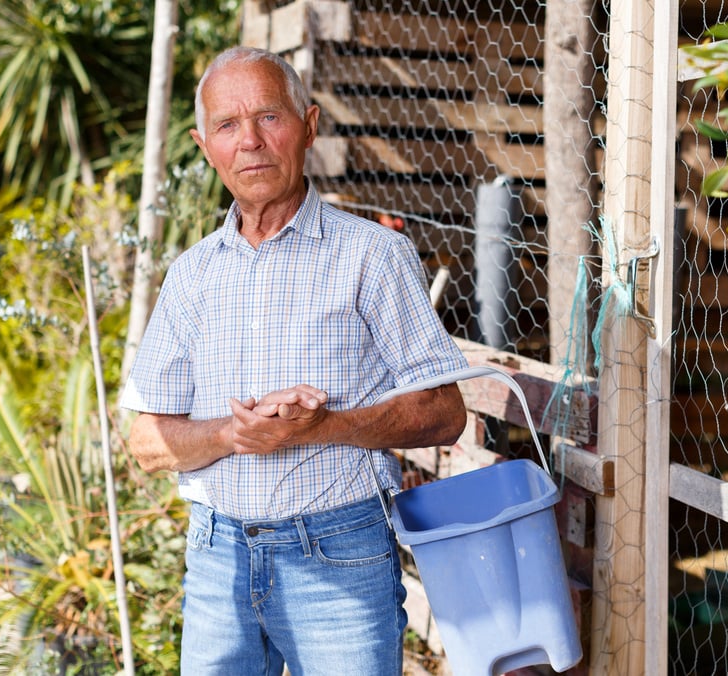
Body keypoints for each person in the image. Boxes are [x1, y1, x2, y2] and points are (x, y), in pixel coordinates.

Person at [120, 45, 469, 675]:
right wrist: (232, 434)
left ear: (308, 125)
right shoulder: (191, 276)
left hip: (339, 552)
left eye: (268, 118)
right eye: (227, 126)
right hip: (217, 557)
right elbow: (145, 441)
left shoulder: (374, 256)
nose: (249, 141)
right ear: (205, 146)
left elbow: (444, 413)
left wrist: (327, 426)